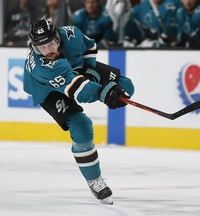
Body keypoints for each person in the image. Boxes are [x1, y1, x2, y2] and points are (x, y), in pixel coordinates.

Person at [23, 19, 135, 204]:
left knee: (126, 86)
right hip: (46, 89)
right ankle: (94, 179)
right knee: (82, 127)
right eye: (42, 47)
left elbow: (90, 45)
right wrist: (103, 92)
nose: (48, 50)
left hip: (72, 70)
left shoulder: (71, 34)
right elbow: (78, 90)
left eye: (51, 44)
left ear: (58, 38)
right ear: (35, 47)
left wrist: (90, 71)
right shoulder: (43, 67)